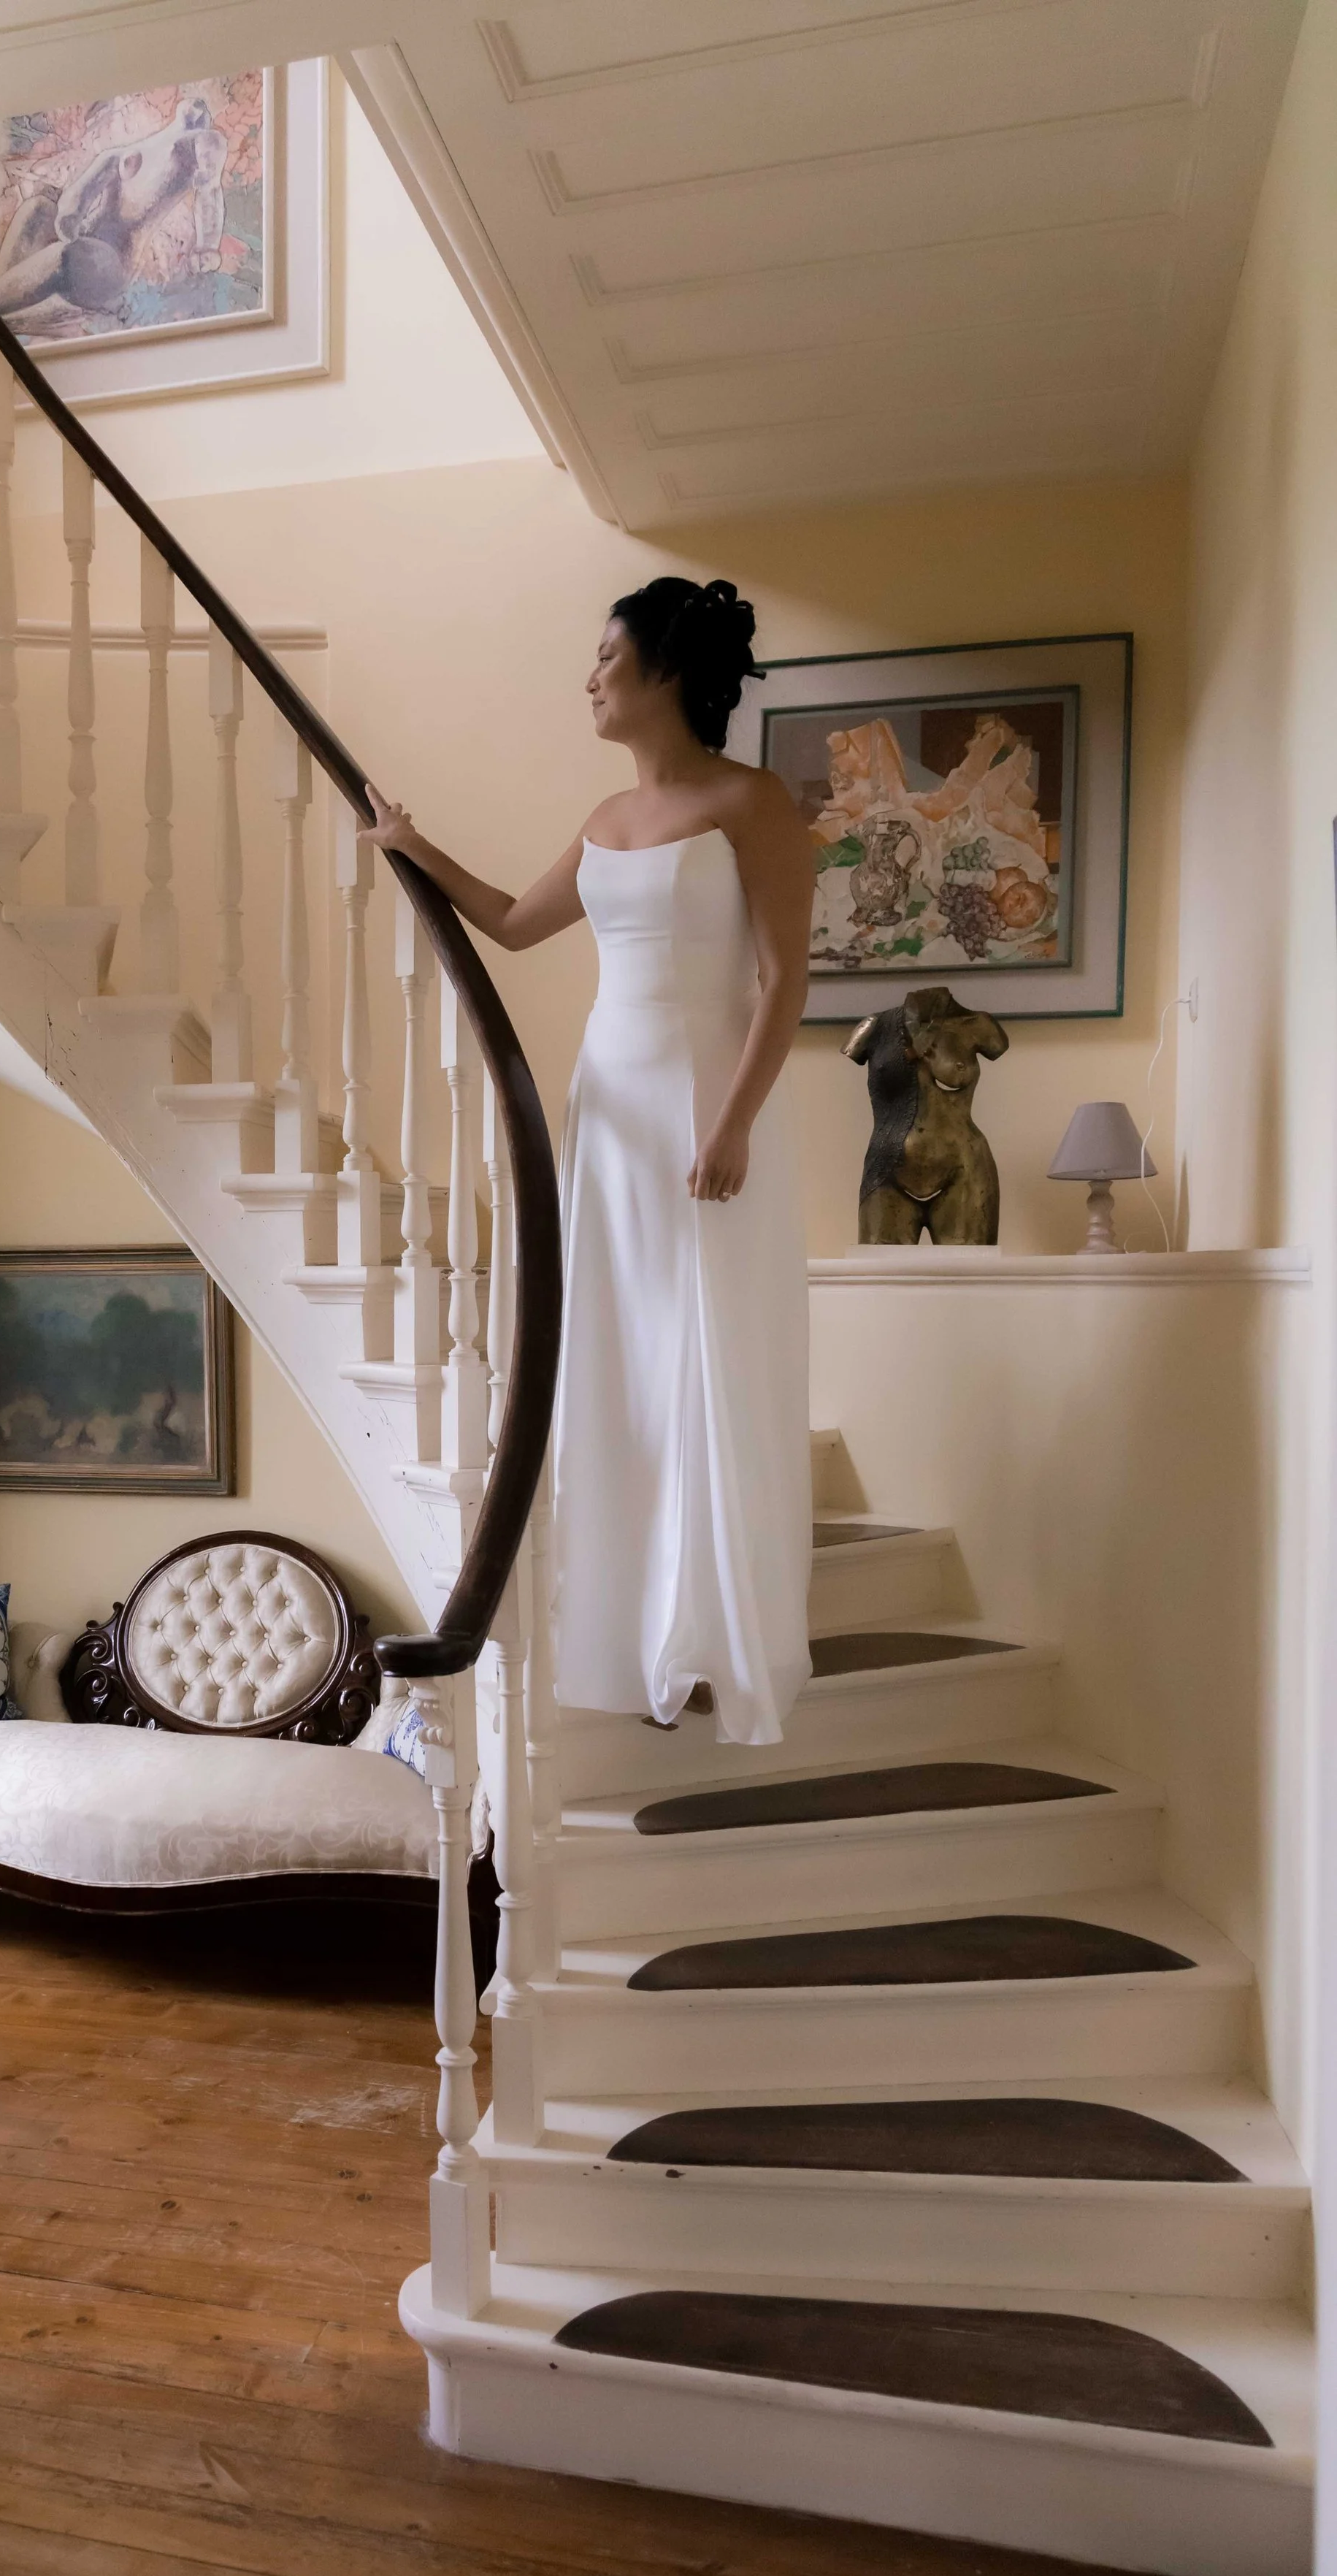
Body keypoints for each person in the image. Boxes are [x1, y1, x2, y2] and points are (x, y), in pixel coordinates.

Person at [364, 576, 815, 1744]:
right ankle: (630, 1631)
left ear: (663, 668)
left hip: (701, 1114)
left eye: (606, 656)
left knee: (700, 1358)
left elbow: (783, 983)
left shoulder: (754, 802)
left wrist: (735, 1123)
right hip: (606, 1115)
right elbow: (514, 921)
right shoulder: (609, 818)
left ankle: (711, 1635)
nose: (590, 677)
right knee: (614, 1358)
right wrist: (413, 847)